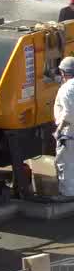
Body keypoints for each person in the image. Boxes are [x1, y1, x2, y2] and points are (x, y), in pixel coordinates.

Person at [55, 57, 74, 197]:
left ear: (63, 72)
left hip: (69, 134)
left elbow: (69, 114)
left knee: (65, 166)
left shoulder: (66, 88)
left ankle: (68, 199)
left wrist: (58, 131)